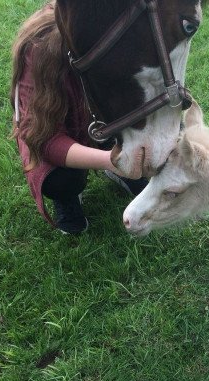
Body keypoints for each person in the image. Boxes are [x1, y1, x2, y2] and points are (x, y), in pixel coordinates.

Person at [10, 1, 147, 234]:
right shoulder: (40, 46)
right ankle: (68, 196)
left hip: (101, 121)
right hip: (56, 127)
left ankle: (120, 165)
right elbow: (45, 139)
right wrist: (112, 160)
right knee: (60, 181)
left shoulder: (125, 33)